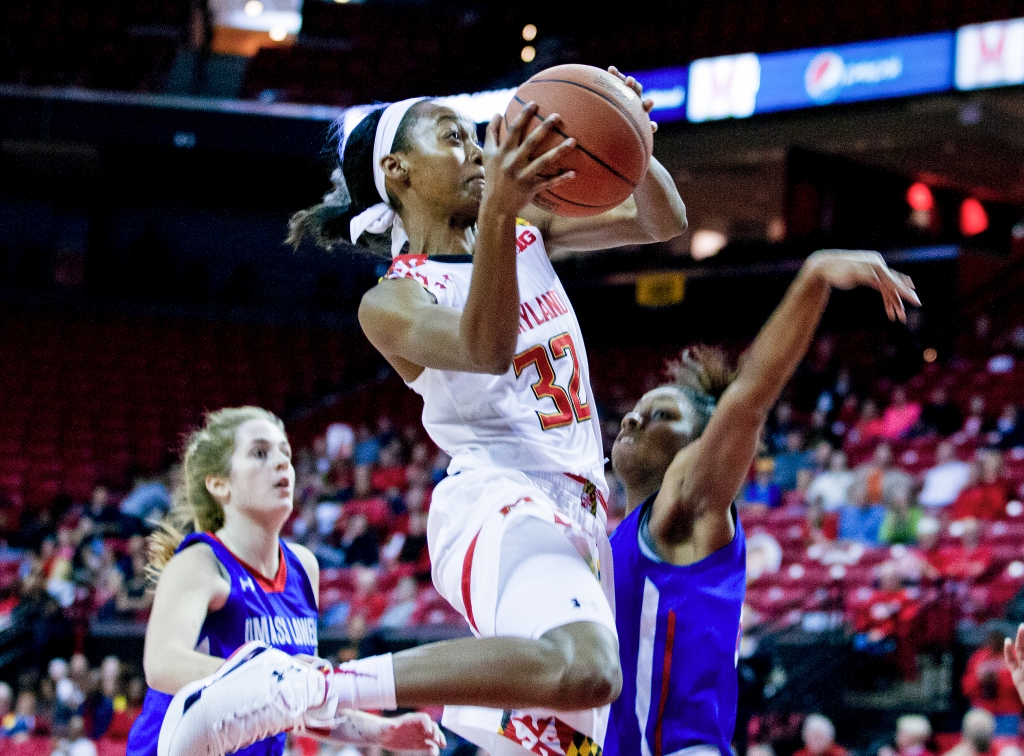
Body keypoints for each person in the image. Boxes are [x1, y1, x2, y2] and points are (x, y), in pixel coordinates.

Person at [173, 70, 688, 756]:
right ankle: (306, 689)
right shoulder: (394, 300)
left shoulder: (528, 234)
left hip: (583, 516)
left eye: (476, 140)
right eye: (452, 138)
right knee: (590, 670)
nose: (476, 152)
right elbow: (485, 346)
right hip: (499, 502)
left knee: (553, 743)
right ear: (398, 171)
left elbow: (664, 220)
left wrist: (630, 134)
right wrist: (503, 212)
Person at [606, 250, 918, 756]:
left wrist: (815, 274)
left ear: (700, 446)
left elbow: (749, 398)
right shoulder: (614, 535)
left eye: (661, 414)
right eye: (637, 410)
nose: (634, 420)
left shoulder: (687, 509)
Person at [126, 407, 445, 756]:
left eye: (286, 454)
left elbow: (301, 700)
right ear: (220, 483)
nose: (281, 463)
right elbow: (162, 664)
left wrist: (381, 732)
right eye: (260, 453)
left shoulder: (302, 566)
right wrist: (271, 677)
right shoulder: (200, 562)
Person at [963, 629, 1023, 735]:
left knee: (1005, 745)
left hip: (1008, 712)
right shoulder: (979, 656)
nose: (994, 641)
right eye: (992, 638)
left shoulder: (1016, 655)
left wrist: (999, 678)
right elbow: (966, 687)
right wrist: (980, 679)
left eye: (997, 638)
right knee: (979, 747)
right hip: (982, 711)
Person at [920, 442, 972, 510]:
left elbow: (965, 488)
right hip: (930, 507)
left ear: (953, 452)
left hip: (950, 507)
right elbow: (926, 496)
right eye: (941, 451)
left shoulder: (962, 469)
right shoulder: (932, 473)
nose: (943, 454)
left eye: (946, 451)